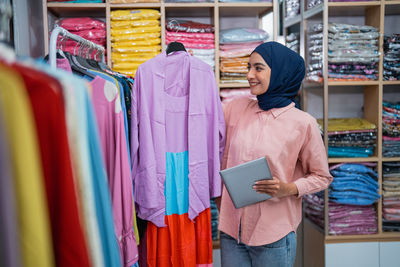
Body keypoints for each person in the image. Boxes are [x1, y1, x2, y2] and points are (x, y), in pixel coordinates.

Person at [217, 41, 333, 267]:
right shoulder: (235, 108)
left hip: (273, 234)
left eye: (258, 68)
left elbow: (322, 176)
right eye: (248, 67)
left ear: (280, 72)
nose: (250, 75)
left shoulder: (303, 123)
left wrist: (289, 188)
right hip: (232, 229)